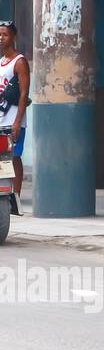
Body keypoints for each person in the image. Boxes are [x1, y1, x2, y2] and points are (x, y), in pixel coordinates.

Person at [0, 21, 30, 214]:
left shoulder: (20, 61)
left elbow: (23, 94)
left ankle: (15, 199)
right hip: (1, 119)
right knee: (2, 159)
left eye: (5, 35)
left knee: (14, 158)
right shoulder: (1, 61)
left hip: (13, 121)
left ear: (13, 37)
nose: (1, 38)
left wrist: (18, 122)